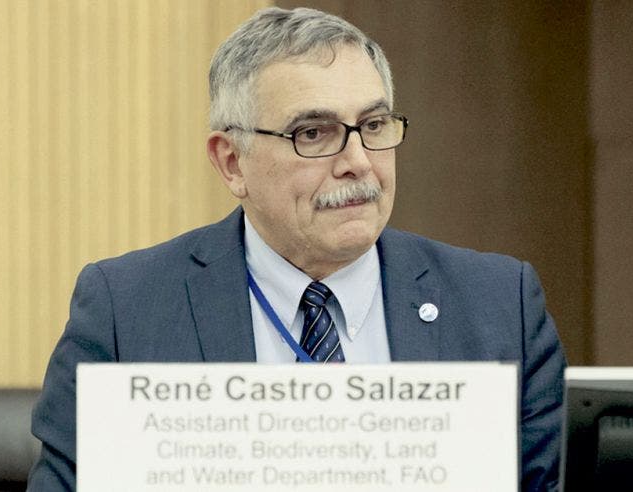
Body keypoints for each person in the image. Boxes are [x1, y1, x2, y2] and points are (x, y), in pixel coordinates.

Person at [28, 6, 565, 491]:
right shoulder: (127, 310)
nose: (358, 160)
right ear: (232, 162)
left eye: (373, 125)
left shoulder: (500, 305)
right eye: (313, 133)